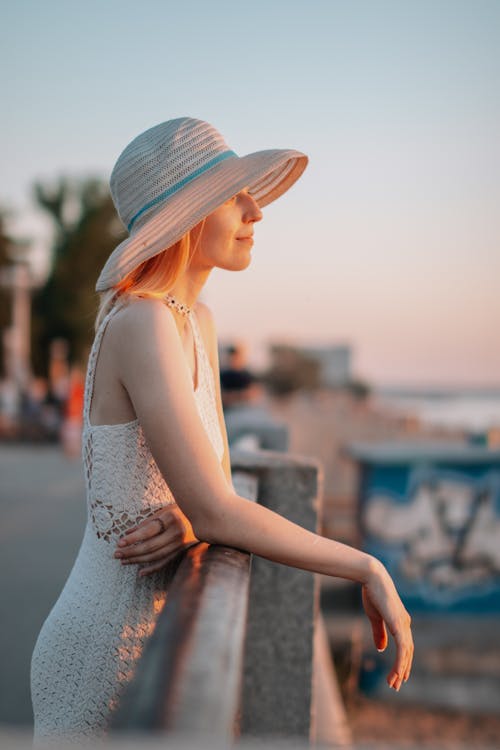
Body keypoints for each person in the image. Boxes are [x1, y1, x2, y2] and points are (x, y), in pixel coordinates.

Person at [30, 117, 413, 745]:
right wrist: (367, 566)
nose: (255, 210)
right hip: (101, 653)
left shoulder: (196, 323)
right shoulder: (141, 325)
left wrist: (187, 514)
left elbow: (212, 494)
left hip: (156, 641)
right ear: (185, 218)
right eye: (232, 196)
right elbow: (220, 509)